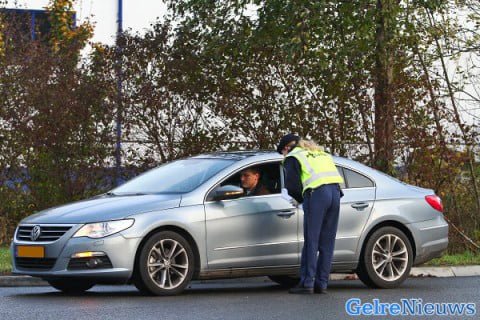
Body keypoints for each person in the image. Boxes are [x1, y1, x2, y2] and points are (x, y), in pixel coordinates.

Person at [277, 133, 344, 294]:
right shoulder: (321, 153)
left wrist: (300, 201)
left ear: (286, 147)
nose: (283, 155)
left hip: (317, 195)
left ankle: (307, 283)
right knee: (327, 243)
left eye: (282, 152)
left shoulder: (293, 156)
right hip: (335, 194)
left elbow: (292, 186)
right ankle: (322, 284)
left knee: (311, 241)